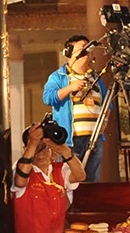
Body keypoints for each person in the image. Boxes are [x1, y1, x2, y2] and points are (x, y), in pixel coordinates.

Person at [11, 122, 86, 233]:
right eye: (36, 149)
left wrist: (64, 150)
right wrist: (32, 144)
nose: (40, 153)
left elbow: (80, 176)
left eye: (45, 148)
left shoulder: (60, 170)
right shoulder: (21, 168)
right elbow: (20, 181)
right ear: (26, 149)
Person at [42, 35, 108, 182]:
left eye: (88, 48)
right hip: (71, 140)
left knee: (92, 182)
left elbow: (108, 102)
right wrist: (70, 88)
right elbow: (48, 98)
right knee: (68, 180)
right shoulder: (59, 76)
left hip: (94, 140)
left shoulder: (96, 77)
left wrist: (105, 121)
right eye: (82, 48)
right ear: (69, 52)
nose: (86, 51)